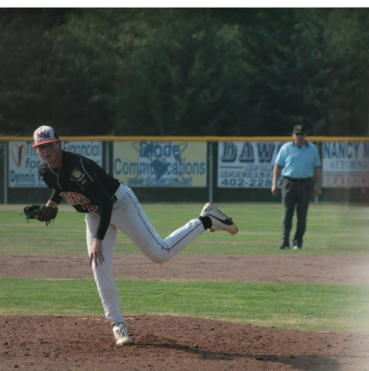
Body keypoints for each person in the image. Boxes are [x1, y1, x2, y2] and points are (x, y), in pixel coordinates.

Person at [30, 125, 239, 346]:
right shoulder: (45, 171)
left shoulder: (78, 166)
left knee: (161, 253)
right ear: (36, 151)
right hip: (94, 214)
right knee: (98, 264)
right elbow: (60, 184)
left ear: (59, 143)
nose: (46, 150)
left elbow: (104, 202)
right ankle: (117, 325)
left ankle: (206, 220)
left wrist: (98, 241)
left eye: (49, 145)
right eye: (40, 147)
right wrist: (52, 203)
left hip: (119, 205)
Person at [271, 124, 322, 250]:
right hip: (289, 183)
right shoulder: (286, 148)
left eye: (302, 134)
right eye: (297, 134)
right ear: (293, 135)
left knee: (302, 215)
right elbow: (278, 166)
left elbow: (317, 168)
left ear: (305, 135)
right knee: (288, 214)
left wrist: (318, 186)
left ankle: (298, 243)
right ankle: (285, 242)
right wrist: (274, 184)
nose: (300, 137)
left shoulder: (312, 149)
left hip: (306, 183)